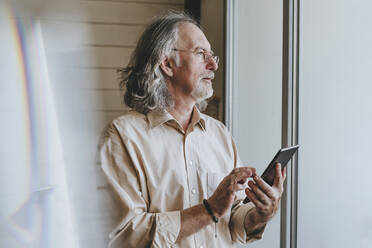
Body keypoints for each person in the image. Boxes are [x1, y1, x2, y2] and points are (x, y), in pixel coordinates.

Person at [99, 11, 286, 248]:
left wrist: (261, 213)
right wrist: (209, 210)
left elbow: (233, 222)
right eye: (201, 54)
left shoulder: (219, 134)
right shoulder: (122, 137)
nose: (214, 64)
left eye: (212, 55)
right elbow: (124, 236)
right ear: (167, 63)